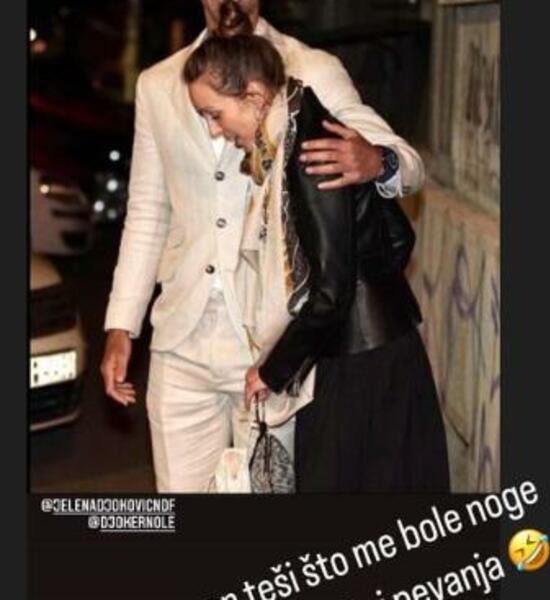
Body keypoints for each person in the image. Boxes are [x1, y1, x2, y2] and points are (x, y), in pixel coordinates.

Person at [101, 0, 426, 493]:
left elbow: (407, 162)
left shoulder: (311, 68)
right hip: (180, 338)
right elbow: (148, 209)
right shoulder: (157, 83)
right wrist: (122, 323)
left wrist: (378, 161)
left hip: (271, 344)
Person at [184, 7, 449, 493]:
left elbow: (330, 290)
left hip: (359, 365)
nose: (215, 131)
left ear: (254, 96)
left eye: (214, 115)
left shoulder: (310, 150)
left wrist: (273, 370)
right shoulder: (289, 136)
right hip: (363, 354)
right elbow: (393, 241)